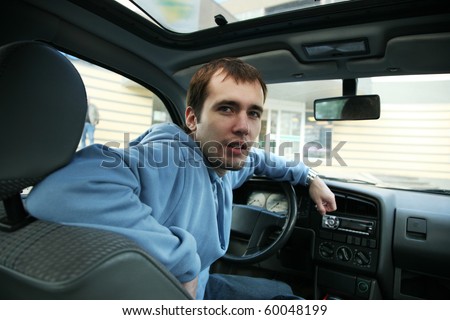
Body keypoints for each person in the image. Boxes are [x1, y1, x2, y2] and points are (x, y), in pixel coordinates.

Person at [25, 58, 336, 299]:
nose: (244, 126)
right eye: (226, 109)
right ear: (192, 119)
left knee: (285, 294)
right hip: (174, 297)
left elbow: (258, 161)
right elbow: (59, 192)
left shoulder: (224, 164)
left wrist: (308, 176)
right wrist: (180, 260)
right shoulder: (171, 158)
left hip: (203, 287)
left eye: (253, 113)